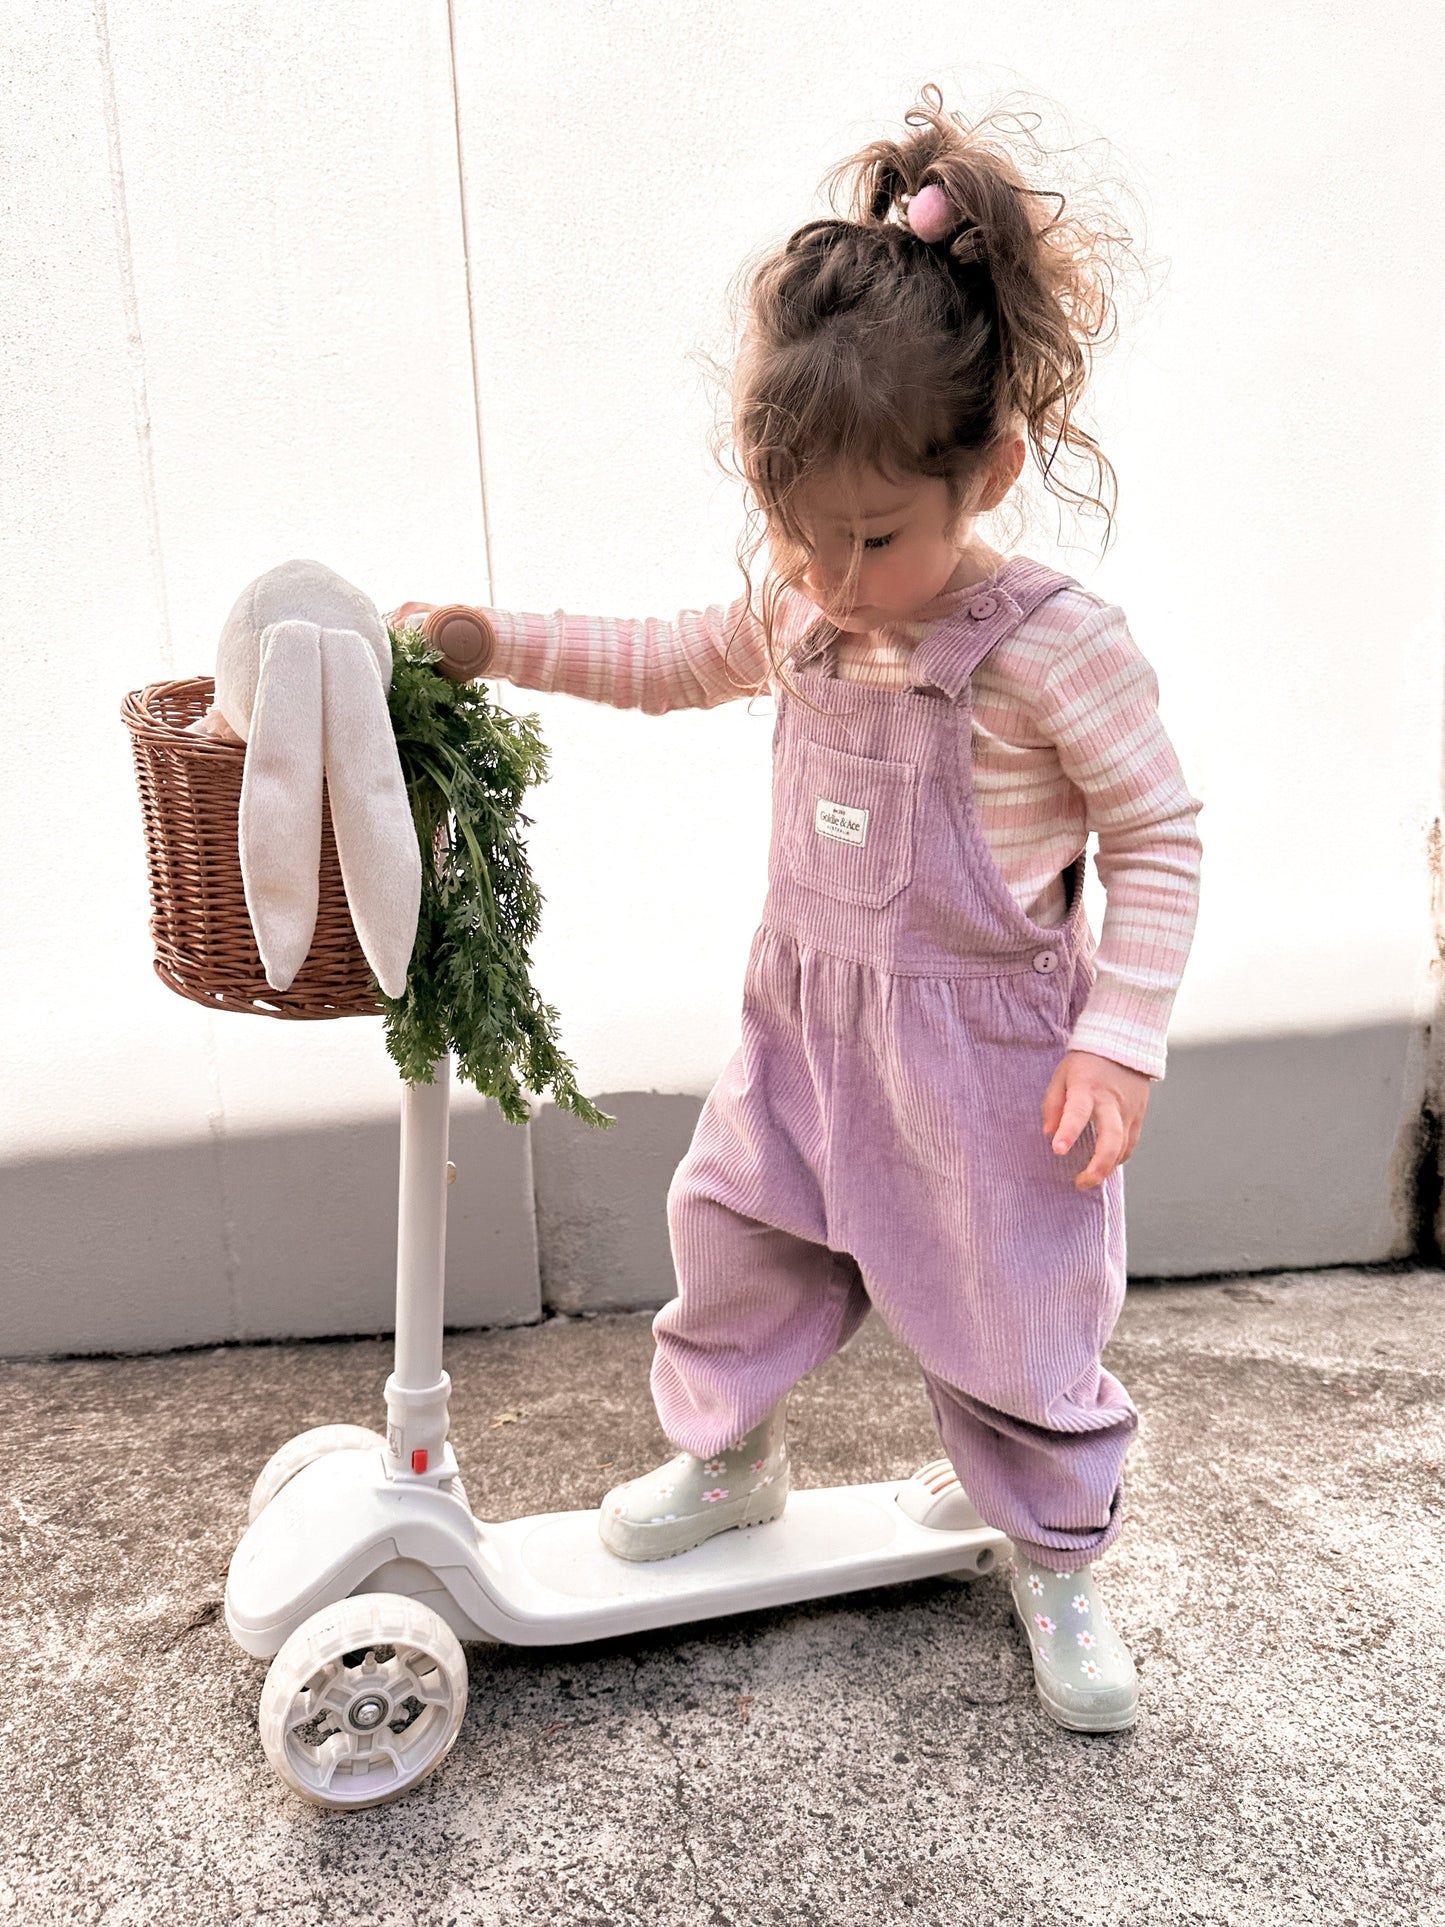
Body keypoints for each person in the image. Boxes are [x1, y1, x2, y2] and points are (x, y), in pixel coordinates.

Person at [392, 84, 1203, 1734]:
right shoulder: (802, 608)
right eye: (794, 533)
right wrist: (495, 639)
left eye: (872, 536)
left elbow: (1162, 839)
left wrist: (1118, 1042)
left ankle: (1047, 1547)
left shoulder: (1055, 646)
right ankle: (730, 1458)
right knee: (736, 1237)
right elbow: (670, 654)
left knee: (1010, 1311)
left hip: (990, 1059)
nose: (827, 575)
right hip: (808, 1023)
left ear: (989, 466)